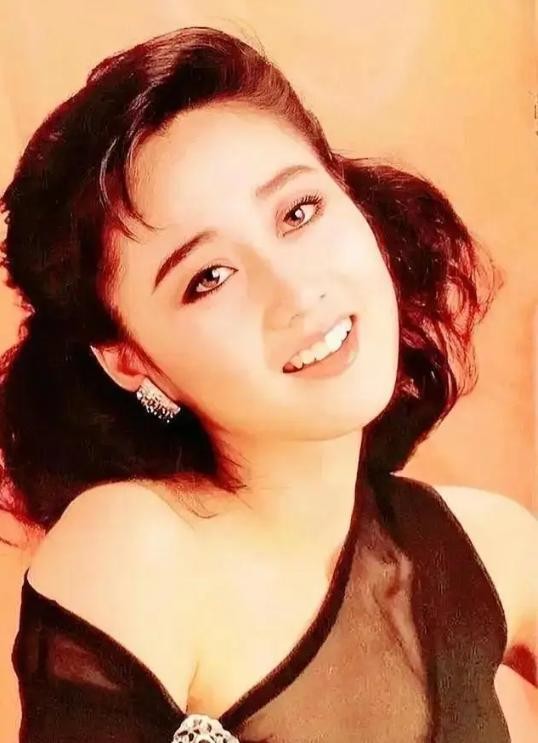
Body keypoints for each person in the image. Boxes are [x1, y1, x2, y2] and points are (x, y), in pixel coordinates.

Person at [0, 26, 535, 743]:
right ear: (131, 360)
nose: (295, 291)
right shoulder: (133, 550)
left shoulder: (492, 547)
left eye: (298, 212)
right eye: (209, 277)